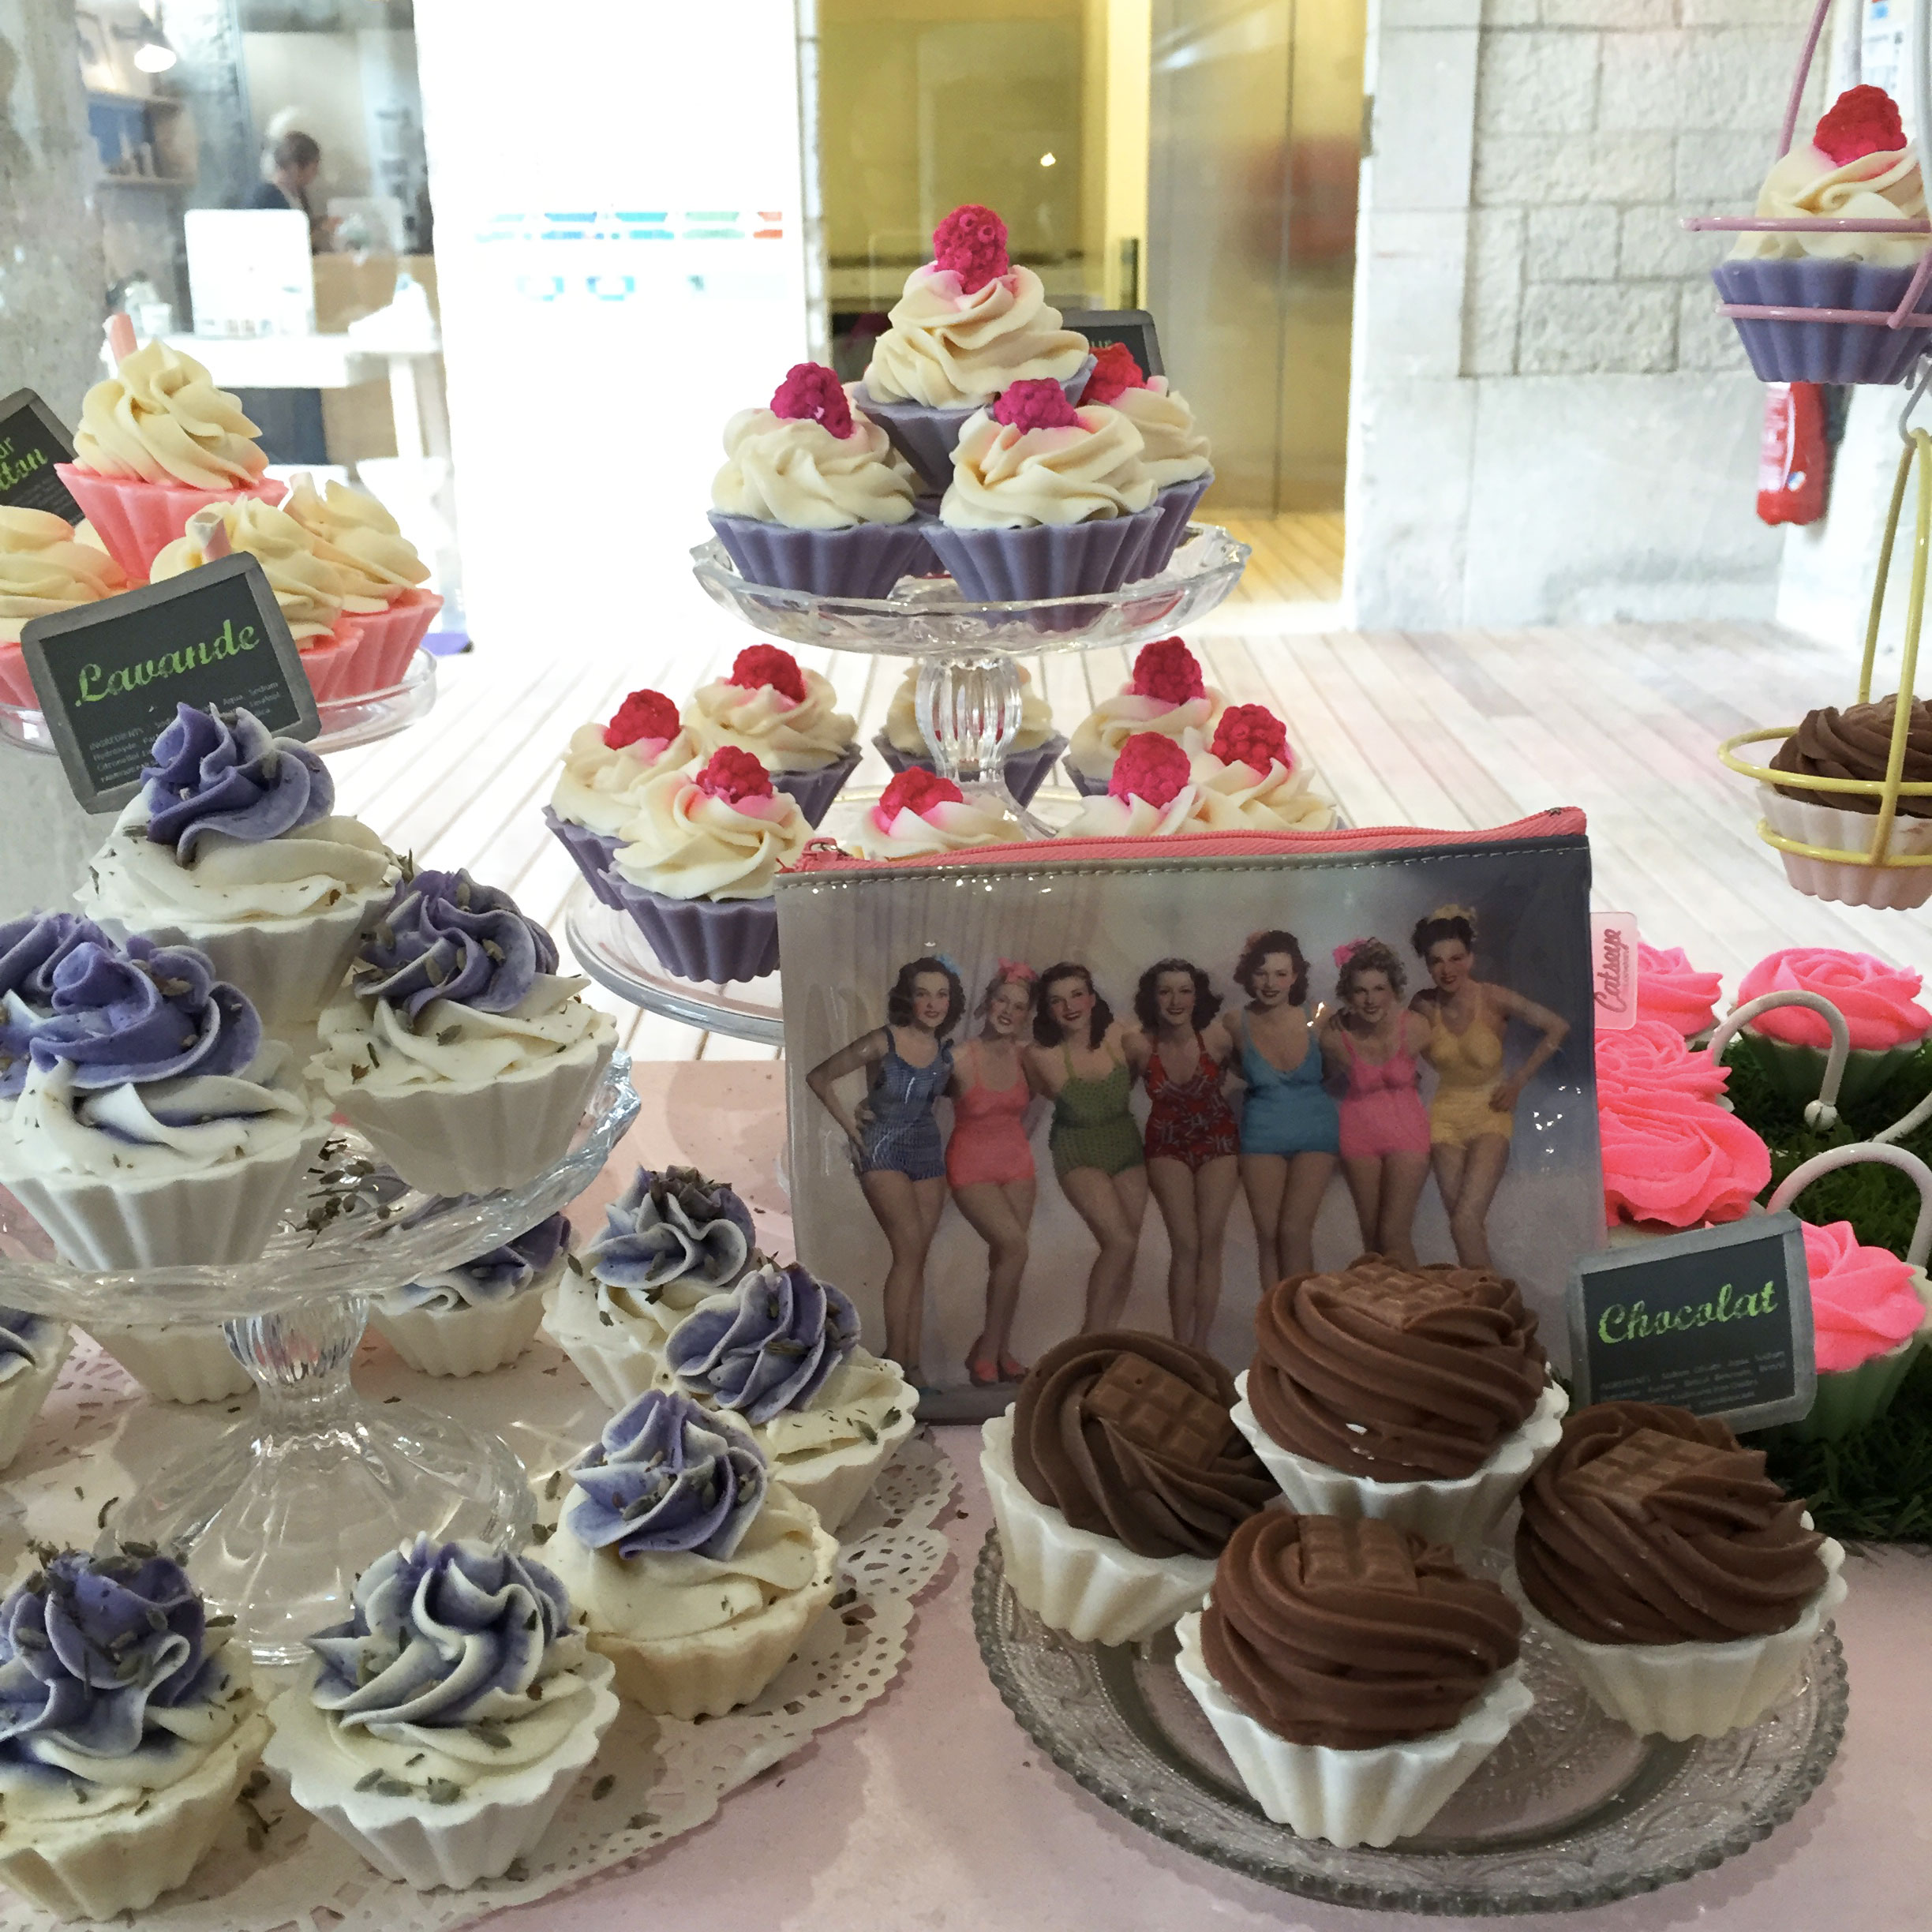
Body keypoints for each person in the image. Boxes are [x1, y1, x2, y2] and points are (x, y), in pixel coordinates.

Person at [805, 956, 964, 1383]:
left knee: (917, 1257)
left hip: (927, 1152)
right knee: (907, 1253)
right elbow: (819, 1077)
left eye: (942, 994)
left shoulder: (944, 1053)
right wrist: (851, 1127)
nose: (933, 1003)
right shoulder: (883, 1040)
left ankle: (913, 1367)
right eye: (923, 994)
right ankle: (896, 1363)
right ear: (907, 998)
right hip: (884, 1149)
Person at [1409, 905, 1571, 1268]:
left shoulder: (1492, 997)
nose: (1447, 969)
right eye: (1436, 961)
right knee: (1464, 1226)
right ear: (1427, 965)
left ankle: (1493, 1301)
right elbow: (1395, 1043)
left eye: (1456, 958)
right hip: (1444, 1118)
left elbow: (1557, 1026)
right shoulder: (1422, 1005)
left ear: (1470, 957)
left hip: (1490, 1113)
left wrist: (1518, 1082)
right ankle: (1490, 1297)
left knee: (1465, 1222)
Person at [1025, 963, 1148, 1332]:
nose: (1069, 1007)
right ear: (1048, 1010)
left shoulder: (1122, 1033)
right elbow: (1025, 1100)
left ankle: (1108, 1336)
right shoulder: (1039, 1055)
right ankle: (1089, 1339)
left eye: (1077, 995)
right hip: (1076, 1148)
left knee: (1129, 1248)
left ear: (1092, 998)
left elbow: (1149, 1067)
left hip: (1126, 1143)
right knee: (1119, 1242)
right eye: (1057, 1000)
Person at [1133, 957, 1241, 1350]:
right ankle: (1180, 1347)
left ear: (1198, 996)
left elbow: (1263, 1070)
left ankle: (1200, 1346)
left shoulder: (1218, 1038)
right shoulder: (1139, 1045)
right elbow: (1109, 1091)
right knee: (1185, 1244)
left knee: (1210, 1242)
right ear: (1153, 998)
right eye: (1165, 992)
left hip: (1218, 1139)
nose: (1175, 1001)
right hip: (1166, 1144)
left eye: (1185, 991)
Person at [946, 961, 1040, 1387]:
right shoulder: (959, 1058)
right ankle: (986, 1353)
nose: (1008, 1011)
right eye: (1002, 1000)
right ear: (988, 1002)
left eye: (1018, 1006)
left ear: (1027, 1015)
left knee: (1008, 1260)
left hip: (1017, 1163)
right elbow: (910, 1092)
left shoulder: (1026, 1056)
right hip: (971, 1165)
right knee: (1015, 1248)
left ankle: (999, 1350)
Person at [1231, 929, 1339, 1286]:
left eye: (1280, 974)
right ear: (1249, 975)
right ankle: (1273, 1317)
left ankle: (1302, 1315)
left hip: (1315, 1130)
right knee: (1268, 1235)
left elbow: (1340, 1066)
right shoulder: (1235, 1023)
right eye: (1262, 973)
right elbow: (1225, 1065)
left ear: (1295, 976)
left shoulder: (1319, 1017)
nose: (1270, 983)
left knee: (1294, 1231)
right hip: (1262, 1132)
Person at [1321, 938, 1432, 1265]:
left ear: (1393, 990)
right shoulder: (1334, 1037)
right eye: (1360, 991)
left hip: (1408, 1135)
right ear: (1348, 995)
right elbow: (1309, 1074)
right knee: (1371, 1241)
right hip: (1358, 1136)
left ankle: (1414, 1299)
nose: (1370, 1000)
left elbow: (1453, 1066)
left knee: (1395, 1235)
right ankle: (1380, 1300)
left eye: (1378, 989)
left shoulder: (1416, 1027)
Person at [244, 131, 334, 253]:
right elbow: (279, 246)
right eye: (313, 169)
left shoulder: (297, 194)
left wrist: (319, 223)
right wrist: (319, 233)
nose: (316, 174)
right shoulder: (265, 198)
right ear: (295, 168)